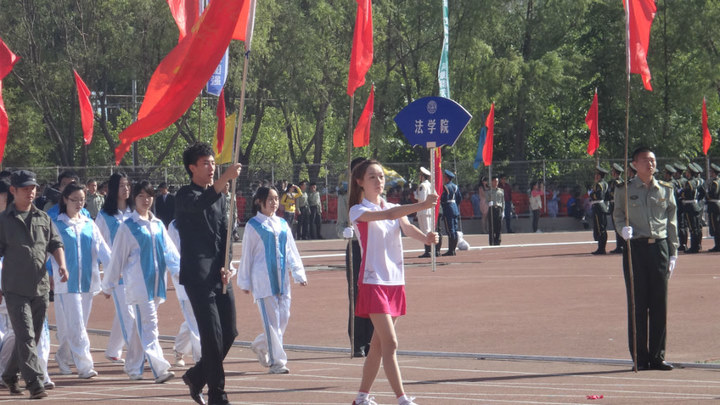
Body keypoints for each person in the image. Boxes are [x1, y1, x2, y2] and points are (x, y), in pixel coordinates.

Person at [347, 159, 437, 405]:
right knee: (391, 342)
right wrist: (422, 204)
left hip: (395, 282)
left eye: (381, 176)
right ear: (360, 182)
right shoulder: (358, 211)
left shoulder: (393, 207)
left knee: (378, 346)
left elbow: (407, 228)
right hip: (373, 281)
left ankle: (361, 397)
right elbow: (388, 215)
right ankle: (402, 398)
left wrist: (427, 238)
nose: (379, 181)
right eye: (372, 177)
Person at [175, 142, 242, 405]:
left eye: (213, 163)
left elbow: (226, 234)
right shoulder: (185, 196)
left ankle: (196, 375)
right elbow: (200, 204)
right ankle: (218, 395)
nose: (212, 167)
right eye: (205, 163)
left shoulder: (221, 197)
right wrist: (225, 179)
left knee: (229, 332)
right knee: (212, 337)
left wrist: (227, 263)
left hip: (219, 274)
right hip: (198, 276)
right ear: (192, 168)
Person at [0, 170, 68, 399]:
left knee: (32, 336)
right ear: (13, 190)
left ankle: (10, 374)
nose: (31, 192)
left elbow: (55, 243)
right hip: (14, 289)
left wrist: (62, 265)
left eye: (33, 188)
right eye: (25, 188)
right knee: (26, 336)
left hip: (40, 287)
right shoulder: (3, 221)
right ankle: (35, 382)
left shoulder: (43, 218)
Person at [102, 181, 177, 383]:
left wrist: (181, 273)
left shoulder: (158, 224)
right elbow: (117, 258)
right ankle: (160, 368)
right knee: (150, 324)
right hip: (138, 286)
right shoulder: (128, 227)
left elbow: (170, 253)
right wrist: (108, 284)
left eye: (149, 196)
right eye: (141, 196)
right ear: (134, 199)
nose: (146, 200)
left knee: (140, 326)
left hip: (157, 284)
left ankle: (133, 366)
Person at [614, 146, 678, 371]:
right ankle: (640, 357)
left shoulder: (666, 189)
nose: (650, 164)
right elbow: (618, 214)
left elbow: (672, 222)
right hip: (636, 249)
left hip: (659, 247)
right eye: (645, 160)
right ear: (634, 164)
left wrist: (673, 252)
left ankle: (658, 356)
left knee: (659, 304)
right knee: (638, 304)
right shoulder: (624, 189)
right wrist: (622, 230)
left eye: (652, 160)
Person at [237, 186, 308, 374]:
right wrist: (245, 281)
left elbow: (291, 250)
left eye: (276, 198)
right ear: (259, 202)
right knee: (272, 322)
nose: (274, 202)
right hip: (263, 280)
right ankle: (277, 362)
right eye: (270, 199)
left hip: (282, 278)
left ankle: (261, 344)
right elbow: (247, 255)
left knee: (283, 318)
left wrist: (299, 273)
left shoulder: (282, 223)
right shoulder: (253, 225)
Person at [51, 182, 111, 379]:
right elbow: (46, 253)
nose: (78, 204)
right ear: (65, 200)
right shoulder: (56, 224)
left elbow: (103, 250)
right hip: (65, 283)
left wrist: (114, 270)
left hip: (87, 281)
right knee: (76, 325)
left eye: (82, 200)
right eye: (74, 200)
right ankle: (85, 366)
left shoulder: (89, 224)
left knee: (77, 325)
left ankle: (63, 355)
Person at [96, 172, 134, 366]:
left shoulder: (135, 212)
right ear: (112, 189)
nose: (125, 189)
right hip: (117, 273)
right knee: (129, 314)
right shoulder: (104, 216)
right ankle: (137, 354)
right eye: (121, 185)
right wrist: (106, 270)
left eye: (127, 185)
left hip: (136, 272)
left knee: (127, 312)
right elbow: (98, 243)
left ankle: (113, 350)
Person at [340, 157, 375, 359]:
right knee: (356, 294)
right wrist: (345, 232)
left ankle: (373, 340)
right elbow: (340, 224)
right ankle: (357, 341)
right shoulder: (346, 198)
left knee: (374, 294)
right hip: (355, 248)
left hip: (374, 248)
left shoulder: (377, 199)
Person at [167, 220, 201, 368]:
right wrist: (181, 273)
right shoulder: (174, 226)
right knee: (195, 319)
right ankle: (201, 360)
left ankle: (180, 349)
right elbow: (171, 254)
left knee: (198, 318)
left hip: (203, 276)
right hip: (184, 279)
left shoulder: (204, 219)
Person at [681, 163, 704, 253]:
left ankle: (694, 247)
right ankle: (698, 245)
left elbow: (685, 193)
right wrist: (697, 199)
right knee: (697, 227)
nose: (686, 173)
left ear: (690, 173)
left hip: (689, 206)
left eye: (687, 172)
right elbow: (703, 192)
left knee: (692, 227)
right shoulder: (698, 181)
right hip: (696, 205)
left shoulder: (689, 182)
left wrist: (681, 194)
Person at [440, 169, 462, 256]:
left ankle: (451, 250)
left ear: (446, 177)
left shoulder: (445, 187)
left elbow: (443, 199)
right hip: (455, 208)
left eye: (444, 176)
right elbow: (459, 198)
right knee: (454, 229)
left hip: (448, 208)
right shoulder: (455, 186)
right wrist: (455, 205)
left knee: (450, 230)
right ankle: (453, 249)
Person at [413, 167, 433, 258]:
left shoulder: (422, 186)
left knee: (425, 231)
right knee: (429, 229)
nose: (419, 177)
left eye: (420, 175)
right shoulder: (430, 185)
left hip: (423, 210)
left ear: (422, 176)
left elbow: (422, 199)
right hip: (429, 210)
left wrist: (415, 194)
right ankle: (430, 250)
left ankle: (428, 251)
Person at [590, 166, 610, 255]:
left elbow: (599, 196)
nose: (595, 176)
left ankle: (601, 248)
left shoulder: (599, 184)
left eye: (596, 175)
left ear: (599, 176)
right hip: (602, 206)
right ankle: (601, 247)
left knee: (599, 228)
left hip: (598, 207)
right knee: (602, 227)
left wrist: (591, 194)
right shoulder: (605, 183)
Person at [607, 164, 625, 254]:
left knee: (619, 225)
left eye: (613, 172)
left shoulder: (619, 183)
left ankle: (621, 245)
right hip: (613, 205)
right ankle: (619, 245)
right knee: (615, 226)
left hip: (617, 205)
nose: (612, 173)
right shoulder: (612, 182)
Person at [486, 176, 504, 246]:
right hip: (492, 208)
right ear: (492, 182)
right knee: (492, 226)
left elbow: (503, 201)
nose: (496, 183)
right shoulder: (489, 191)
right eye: (495, 181)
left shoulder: (501, 191)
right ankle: (492, 241)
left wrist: (503, 211)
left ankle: (498, 241)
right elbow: (487, 200)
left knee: (498, 226)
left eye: (497, 181)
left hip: (498, 208)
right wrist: (490, 203)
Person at [707, 163, 720, 252]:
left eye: (711, 171)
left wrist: (707, 194)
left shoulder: (714, 183)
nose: (710, 173)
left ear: (714, 173)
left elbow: (712, 194)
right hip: (717, 205)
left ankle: (717, 245)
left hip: (713, 206)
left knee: (715, 227)